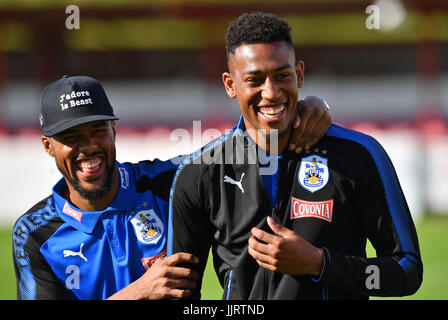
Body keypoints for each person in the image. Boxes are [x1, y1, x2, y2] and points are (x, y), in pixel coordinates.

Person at [167, 12, 423, 300]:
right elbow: (179, 293)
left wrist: (319, 264)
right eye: (254, 80)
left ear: (299, 74)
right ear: (230, 84)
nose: (271, 92)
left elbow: (406, 272)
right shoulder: (199, 171)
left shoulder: (359, 154)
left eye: (282, 76)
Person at [12, 75, 331, 300]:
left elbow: (236, 147)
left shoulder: (169, 183)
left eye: (98, 131)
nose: (88, 147)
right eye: (71, 138)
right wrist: (138, 293)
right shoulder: (33, 234)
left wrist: (307, 108)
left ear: (114, 130)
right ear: (48, 146)